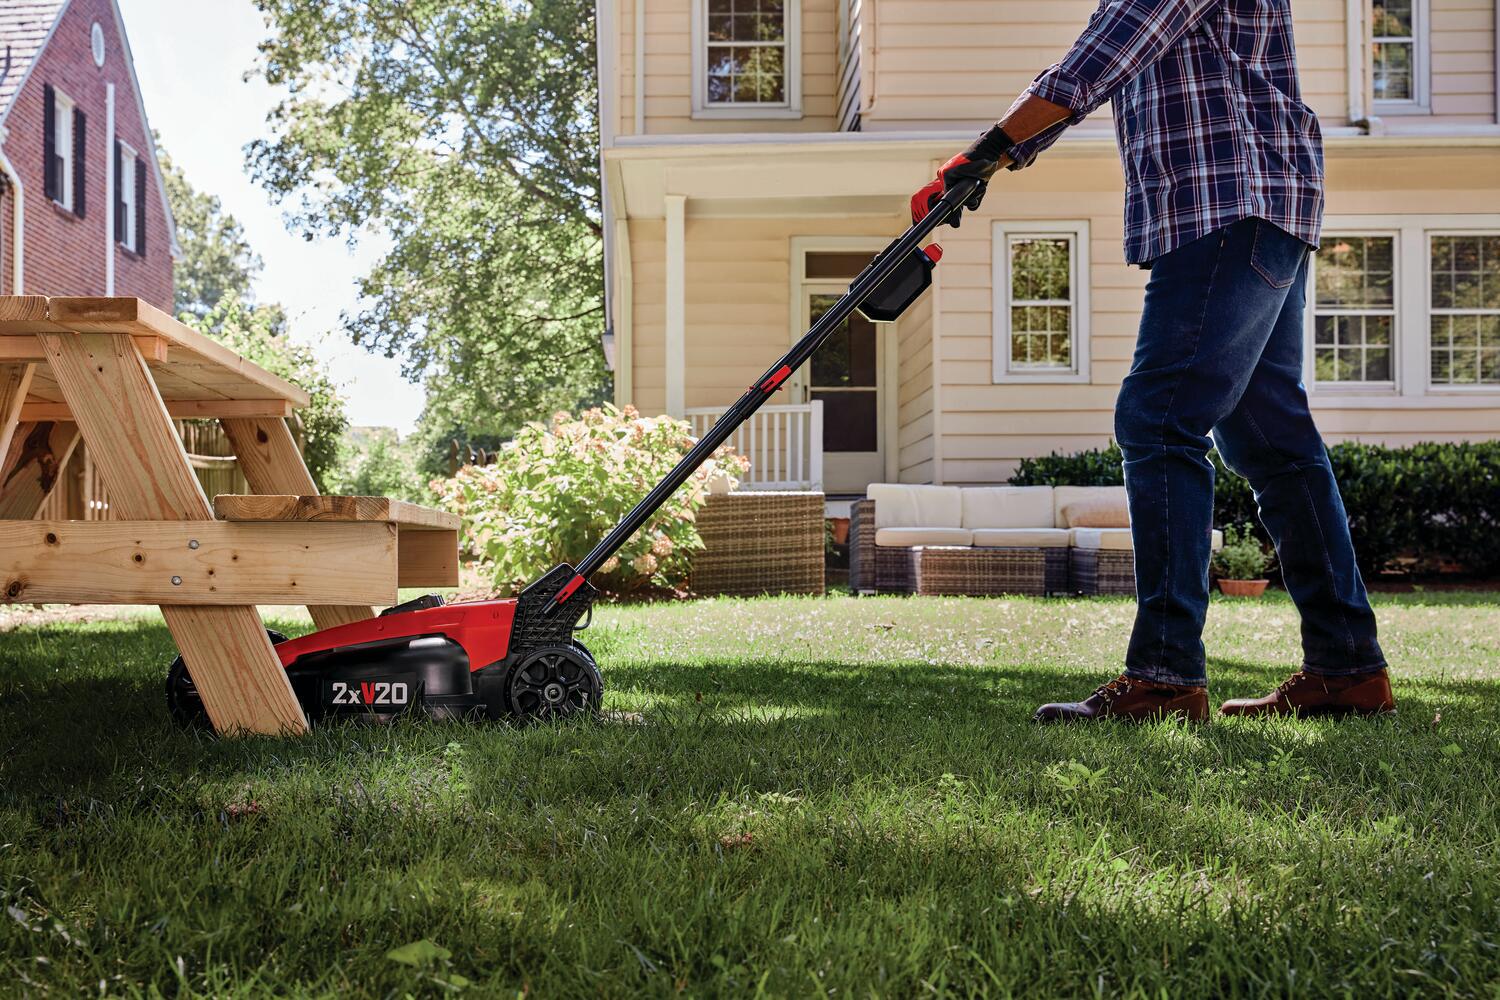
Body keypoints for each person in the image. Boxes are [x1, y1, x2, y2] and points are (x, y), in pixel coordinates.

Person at [910, 0, 1393, 723]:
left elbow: (1103, 57)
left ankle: (1165, 678)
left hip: (1225, 202)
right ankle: (1347, 669)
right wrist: (997, 156)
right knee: (1272, 440)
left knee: (1159, 419)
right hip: (1260, 209)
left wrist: (986, 150)